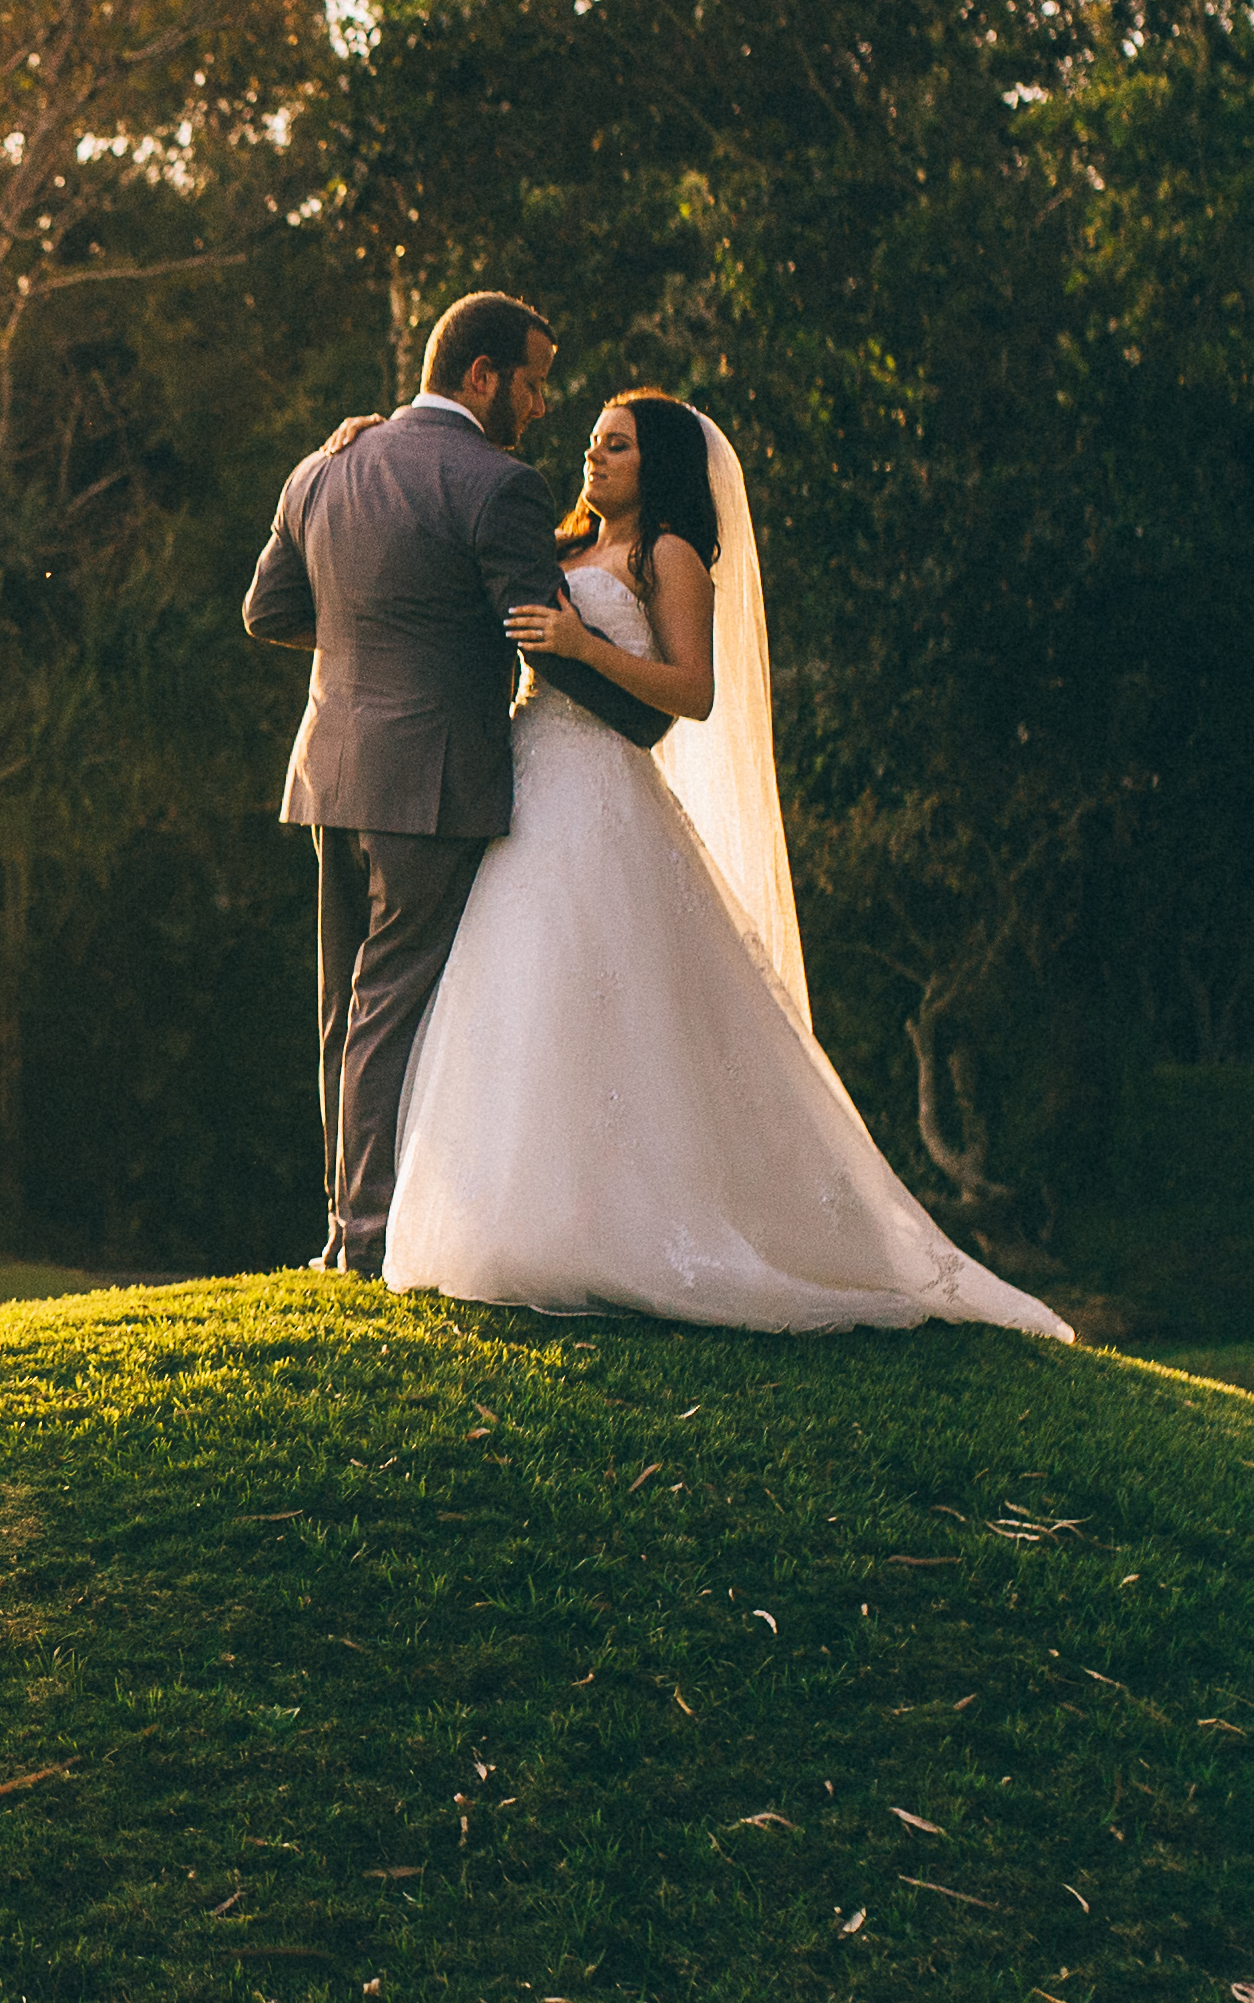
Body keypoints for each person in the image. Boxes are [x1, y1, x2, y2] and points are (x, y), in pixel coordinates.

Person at [357, 381, 1068, 1337]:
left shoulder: (671, 555)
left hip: (602, 787)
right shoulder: (561, 545)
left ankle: (643, 1230)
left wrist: (581, 644)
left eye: (616, 446)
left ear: (658, 464)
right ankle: (514, 1224)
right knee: (521, 994)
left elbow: (691, 692)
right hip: (526, 780)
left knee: (611, 997)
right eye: (593, 443)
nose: (593, 457)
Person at [241, 292, 666, 1276]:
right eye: (531, 381)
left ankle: (344, 1226)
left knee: (343, 1008)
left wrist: (368, 643)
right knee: (390, 1002)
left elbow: (267, 609)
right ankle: (362, 1242)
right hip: (429, 781)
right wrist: (644, 719)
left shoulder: (324, 463)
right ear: (481, 376)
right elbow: (535, 632)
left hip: (330, 768)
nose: (539, 404)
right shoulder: (497, 482)